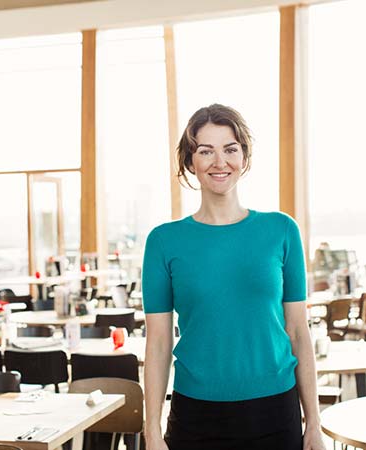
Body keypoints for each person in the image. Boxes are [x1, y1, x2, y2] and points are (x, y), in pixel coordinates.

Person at [142, 103, 326, 450]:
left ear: (244, 157)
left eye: (230, 149)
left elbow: (299, 332)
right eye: (205, 151)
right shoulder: (163, 241)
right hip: (195, 416)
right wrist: (152, 432)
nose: (219, 162)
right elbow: (159, 343)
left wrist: (313, 423)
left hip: (275, 412)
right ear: (190, 161)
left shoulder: (282, 231)